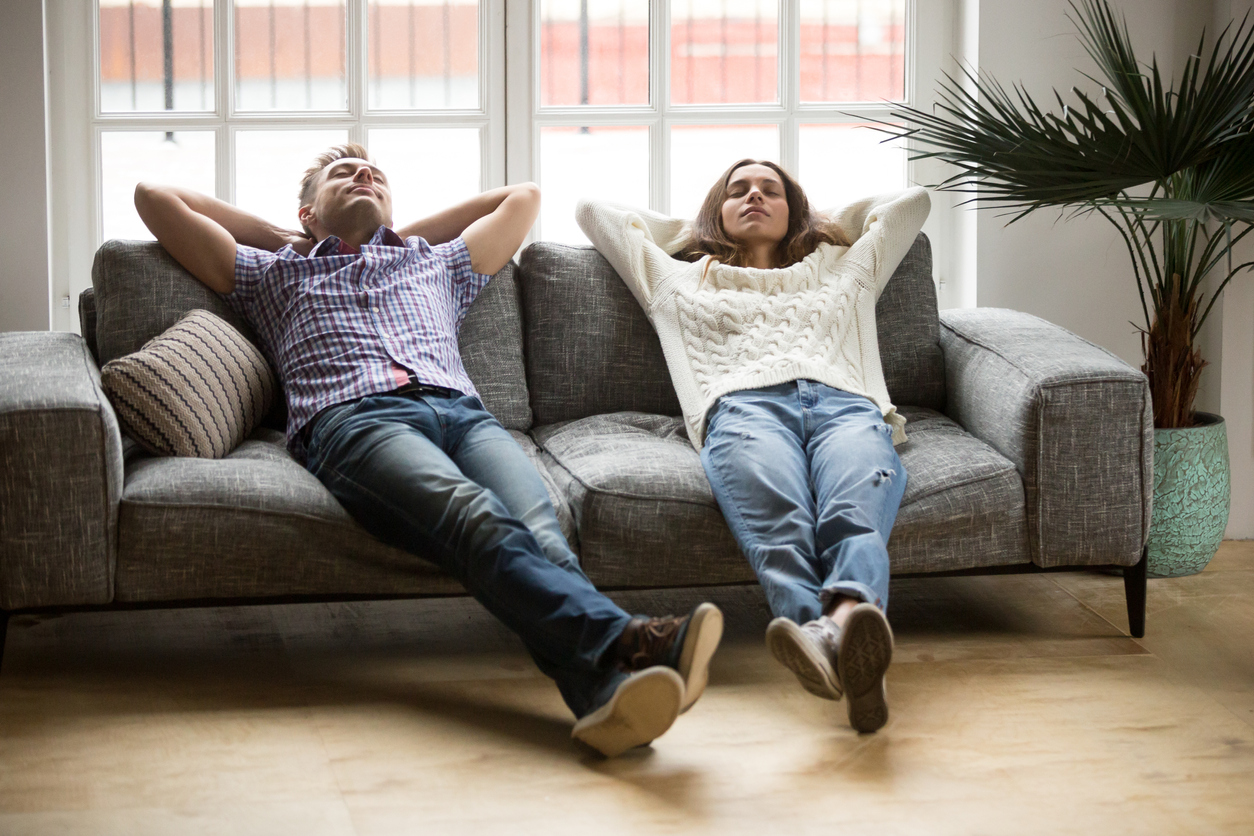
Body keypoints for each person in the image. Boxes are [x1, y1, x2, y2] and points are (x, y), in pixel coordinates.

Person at [133, 143, 723, 757]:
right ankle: (639, 639)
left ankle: (600, 693)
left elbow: (522, 197)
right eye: (344, 176)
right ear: (306, 211)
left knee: (543, 533)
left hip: (465, 418)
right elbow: (154, 196)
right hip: (355, 422)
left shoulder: (436, 264)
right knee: (473, 516)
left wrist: (388, 230)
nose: (364, 176)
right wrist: (295, 235)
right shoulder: (271, 272)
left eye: (376, 176)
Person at [577, 160, 929, 733]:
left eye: (771, 190)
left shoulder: (846, 267)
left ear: (796, 207)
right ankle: (847, 635)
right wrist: (695, 232)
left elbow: (912, 202)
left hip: (846, 405)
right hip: (743, 407)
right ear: (716, 210)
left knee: (853, 511)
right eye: (737, 192)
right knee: (778, 524)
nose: (755, 196)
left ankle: (833, 631)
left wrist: (817, 225)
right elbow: (594, 213)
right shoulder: (674, 278)